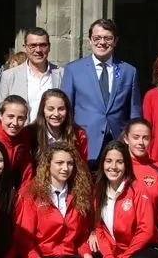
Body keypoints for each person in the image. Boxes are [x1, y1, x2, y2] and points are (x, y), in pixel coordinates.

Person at [17, 142, 117, 258]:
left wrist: (86, 254)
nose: (65, 168)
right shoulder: (33, 194)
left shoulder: (79, 193)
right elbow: (25, 235)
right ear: (48, 165)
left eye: (70, 163)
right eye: (60, 163)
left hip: (71, 257)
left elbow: (81, 234)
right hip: (44, 256)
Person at [61, 19, 142, 164]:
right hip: (84, 143)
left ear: (116, 41)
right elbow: (66, 109)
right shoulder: (73, 70)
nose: (102, 42)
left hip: (118, 143)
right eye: (97, 38)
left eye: (108, 38)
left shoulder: (129, 71)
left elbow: (134, 112)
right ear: (90, 40)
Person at [0, 27, 63, 121]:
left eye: (43, 45)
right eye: (33, 45)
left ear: (49, 47)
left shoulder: (62, 74)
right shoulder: (9, 76)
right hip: (21, 133)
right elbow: (0, 112)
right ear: (25, 48)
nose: (38, 50)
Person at [27, 89, 88, 163]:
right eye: (50, 109)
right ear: (43, 110)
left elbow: (82, 166)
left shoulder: (78, 134)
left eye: (61, 109)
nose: (56, 114)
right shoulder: (30, 133)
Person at [121, 119, 158, 208]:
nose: (141, 142)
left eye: (145, 138)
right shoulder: (117, 167)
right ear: (126, 139)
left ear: (151, 140)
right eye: (136, 137)